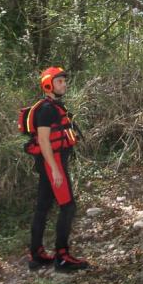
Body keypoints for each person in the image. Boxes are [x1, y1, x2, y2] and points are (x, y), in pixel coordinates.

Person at [26, 66, 89, 272]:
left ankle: (36, 254)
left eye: (64, 81)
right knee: (68, 206)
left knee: (42, 207)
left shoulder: (52, 106)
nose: (64, 84)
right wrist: (54, 169)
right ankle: (62, 257)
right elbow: (44, 141)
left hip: (49, 163)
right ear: (48, 85)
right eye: (59, 81)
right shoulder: (47, 110)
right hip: (53, 163)